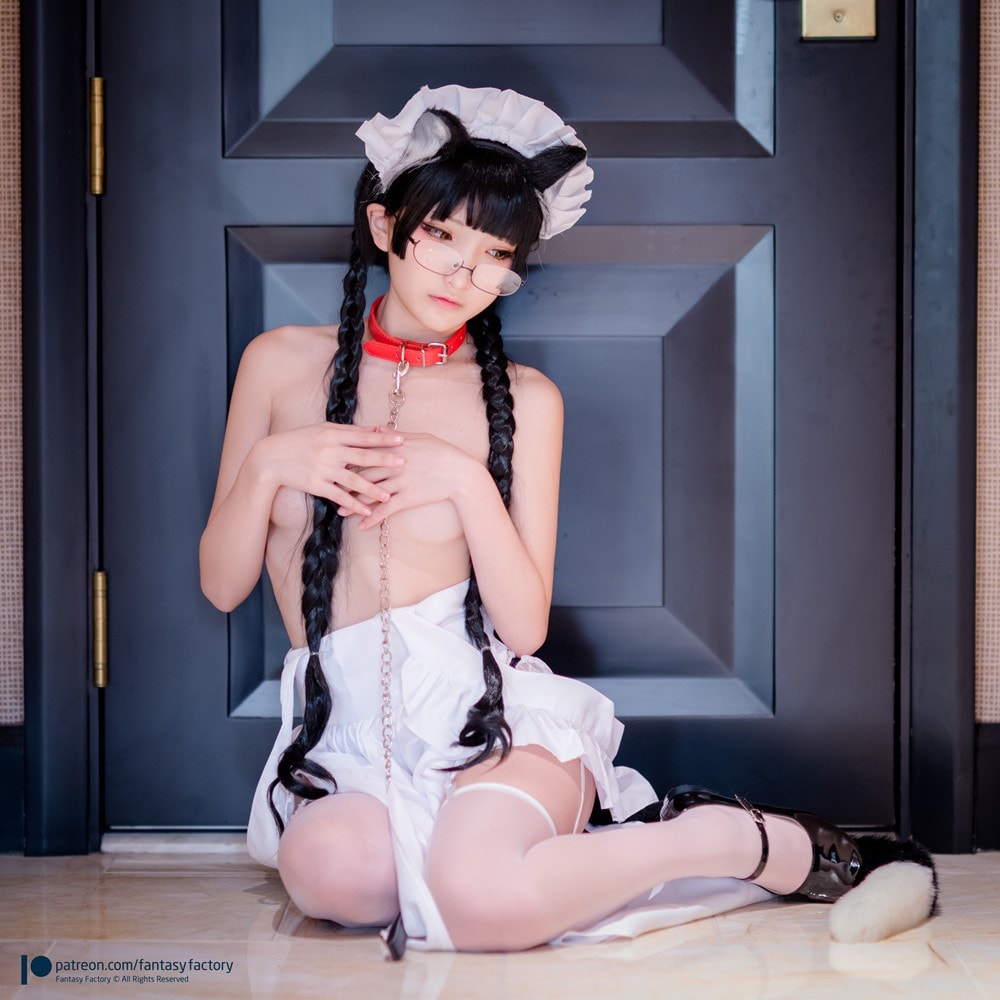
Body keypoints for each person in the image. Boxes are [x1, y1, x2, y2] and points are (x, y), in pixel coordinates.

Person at [199, 85, 924, 959]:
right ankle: (550, 858)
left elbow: (524, 627)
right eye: (442, 237)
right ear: (386, 225)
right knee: (330, 876)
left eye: (495, 256)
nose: (465, 277)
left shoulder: (526, 400)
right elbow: (223, 585)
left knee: (478, 904)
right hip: (343, 731)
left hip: (491, 719)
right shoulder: (278, 364)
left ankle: (735, 839)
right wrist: (276, 463)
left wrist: (465, 480)